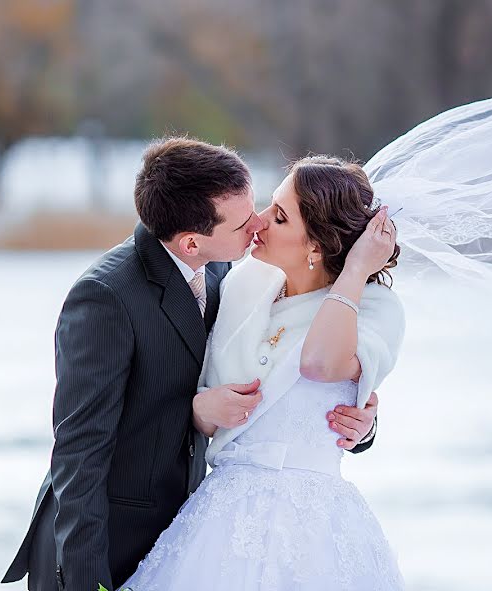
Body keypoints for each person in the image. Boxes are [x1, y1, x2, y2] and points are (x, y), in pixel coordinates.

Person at [1, 140, 381, 591]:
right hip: (106, 544)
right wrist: (84, 579)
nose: (258, 223)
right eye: (244, 222)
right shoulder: (106, 297)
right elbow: (78, 453)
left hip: (192, 533)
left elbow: (284, 380)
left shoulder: (229, 274)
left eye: (260, 208)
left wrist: (360, 421)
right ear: (191, 241)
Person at [120, 155, 405, 591]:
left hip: (313, 528)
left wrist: (354, 271)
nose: (259, 221)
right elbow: (202, 395)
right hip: (221, 517)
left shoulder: (375, 307)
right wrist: (200, 409)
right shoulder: (240, 283)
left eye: (280, 216)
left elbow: (320, 365)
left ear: (316, 246)